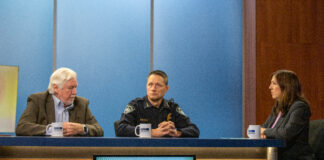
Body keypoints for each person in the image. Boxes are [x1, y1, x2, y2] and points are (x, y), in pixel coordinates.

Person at [16, 67, 104, 136]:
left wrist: (82, 129)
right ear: (56, 88)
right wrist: (54, 129)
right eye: (70, 88)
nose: (75, 92)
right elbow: (22, 127)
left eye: (75, 87)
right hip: (45, 153)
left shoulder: (81, 103)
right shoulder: (38, 101)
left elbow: (99, 130)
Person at [116, 70, 199, 137]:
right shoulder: (136, 105)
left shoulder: (172, 107)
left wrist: (176, 132)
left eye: (158, 85)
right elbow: (121, 128)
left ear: (166, 89)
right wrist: (150, 132)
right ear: (146, 86)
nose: (153, 88)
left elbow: (194, 130)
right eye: (150, 84)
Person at [261, 70, 313, 159]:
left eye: (274, 83)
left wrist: (265, 131)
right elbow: (264, 128)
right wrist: (263, 132)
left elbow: (287, 133)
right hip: (276, 155)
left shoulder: (300, 107)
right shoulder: (277, 107)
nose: (270, 87)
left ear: (286, 86)